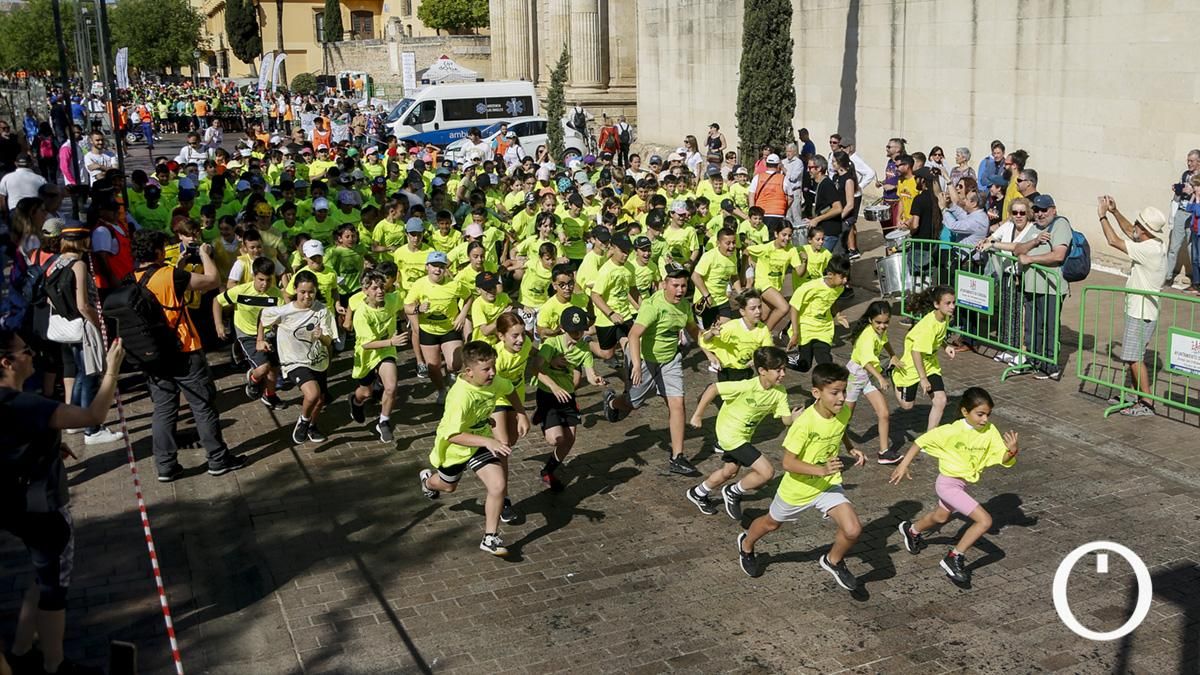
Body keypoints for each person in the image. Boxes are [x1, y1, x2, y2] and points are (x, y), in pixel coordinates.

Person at [1, 331, 125, 675]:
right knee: (54, 585)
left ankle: (22, 650)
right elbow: (93, 416)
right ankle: (54, 664)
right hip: (43, 509)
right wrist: (112, 371)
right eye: (25, 351)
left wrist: (48, 444)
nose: (32, 355)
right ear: (7, 362)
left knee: (41, 576)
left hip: (13, 507)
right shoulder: (26, 405)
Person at [735, 363, 865, 588]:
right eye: (834, 393)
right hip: (797, 489)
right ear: (817, 393)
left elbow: (839, 430)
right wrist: (821, 469)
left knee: (853, 529)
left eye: (844, 391)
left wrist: (851, 448)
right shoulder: (804, 424)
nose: (842, 398)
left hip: (827, 485)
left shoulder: (842, 411)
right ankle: (746, 545)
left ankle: (833, 561)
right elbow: (788, 463)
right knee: (771, 524)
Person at [891, 387, 1020, 585]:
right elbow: (920, 442)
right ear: (964, 412)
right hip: (947, 484)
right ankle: (953, 558)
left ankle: (912, 530)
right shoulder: (951, 430)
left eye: (988, 414)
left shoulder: (989, 430)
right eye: (980, 414)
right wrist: (903, 465)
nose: (985, 419)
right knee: (984, 521)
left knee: (941, 516)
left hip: (960, 485)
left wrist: (1011, 452)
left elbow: (1000, 456)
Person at [418, 341, 530, 557]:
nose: (492, 373)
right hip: (455, 449)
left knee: (498, 485)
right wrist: (488, 442)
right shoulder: (460, 397)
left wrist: (521, 413)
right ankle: (427, 481)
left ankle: (490, 537)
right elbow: (453, 435)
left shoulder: (493, 380)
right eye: (486, 369)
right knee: (448, 487)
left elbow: (510, 389)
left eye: (493, 367)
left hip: (480, 443)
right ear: (469, 371)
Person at [602, 263, 701, 476]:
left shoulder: (684, 305)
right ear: (665, 284)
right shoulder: (652, 305)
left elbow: (693, 329)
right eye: (675, 285)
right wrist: (636, 365)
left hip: (670, 360)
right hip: (645, 359)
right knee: (633, 404)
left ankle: (677, 457)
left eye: (683, 286)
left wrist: (711, 346)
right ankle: (612, 402)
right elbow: (634, 335)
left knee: (677, 403)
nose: (680, 290)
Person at [687, 346, 802, 519]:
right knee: (767, 472)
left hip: (744, 437)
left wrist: (793, 419)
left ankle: (698, 492)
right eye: (778, 370)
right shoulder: (747, 386)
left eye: (784, 369)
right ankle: (733, 492)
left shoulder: (780, 393)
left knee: (729, 471)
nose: (783, 374)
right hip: (729, 434)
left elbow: (785, 420)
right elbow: (713, 389)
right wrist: (697, 415)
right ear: (762, 371)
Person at [1096, 197, 1167, 417]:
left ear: (1144, 229)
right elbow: (1129, 231)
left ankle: (1146, 402)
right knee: (1131, 356)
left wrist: (1102, 216)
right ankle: (1135, 396)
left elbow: (1114, 240)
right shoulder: (1152, 243)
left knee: (1134, 358)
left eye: (1138, 224)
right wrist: (1116, 212)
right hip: (1139, 309)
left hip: (1142, 311)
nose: (1133, 227)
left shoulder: (1149, 251)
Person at [532, 307, 606, 491]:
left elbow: (589, 374)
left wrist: (595, 379)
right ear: (563, 328)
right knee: (555, 439)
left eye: (580, 330)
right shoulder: (552, 344)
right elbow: (535, 369)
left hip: (567, 396)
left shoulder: (584, 349)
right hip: (548, 394)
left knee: (570, 439)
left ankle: (548, 471)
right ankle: (541, 414)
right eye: (573, 331)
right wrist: (554, 384)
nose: (577, 334)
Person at [1011, 194, 1070, 380]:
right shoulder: (1034, 228)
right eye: (1036, 210)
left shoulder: (1060, 224)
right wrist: (1035, 241)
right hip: (1032, 286)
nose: (1040, 214)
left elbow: (1058, 255)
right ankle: (1032, 360)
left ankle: (1050, 365)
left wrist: (1031, 259)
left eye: (1044, 210)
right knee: (1031, 326)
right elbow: (1017, 249)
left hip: (1050, 287)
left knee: (1048, 327)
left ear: (1053, 209)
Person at [214, 256, 286, 409]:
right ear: (254, 275)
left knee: (273, 367)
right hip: (246, 334)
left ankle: (270, 396)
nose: (265, 284)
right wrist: (219, 324)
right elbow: (217, 301)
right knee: (263, 368)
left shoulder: (276, 294)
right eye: (261, 279)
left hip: (268, 334)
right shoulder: (240, 291)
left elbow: (281, 317)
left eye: (268, 280)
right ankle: (253, 379)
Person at [349, 270, 409, 442]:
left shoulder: (392, 299)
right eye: (375, 288)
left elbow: (404, 305)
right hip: (367, 354)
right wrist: (392, 341)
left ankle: (383, 421)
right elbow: (366, 344)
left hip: (386, 351)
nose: (380, 291)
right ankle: (355, 401)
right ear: (365, 290)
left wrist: (408, 320)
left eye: (382, 287)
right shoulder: (361, 314)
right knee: (366, 393)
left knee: (391, 387)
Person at [404, 251, 472, 403]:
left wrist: (462, 315)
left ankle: (451, 374)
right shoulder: (419, 284)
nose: (437, 270)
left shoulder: (454, 284)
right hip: (428, 330)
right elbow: (407, 307)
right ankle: (441, 390)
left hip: (449, 328)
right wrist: (418, 309)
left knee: (455, 364)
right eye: (434, 266)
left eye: (441, 266)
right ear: (427, 267)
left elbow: (468, 297)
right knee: (433, 367)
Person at [891, 285, 957, 434]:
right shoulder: (928, 326)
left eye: (953, 302)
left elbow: (937, 338)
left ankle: (929, 438)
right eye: (948, 303)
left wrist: (945, 346)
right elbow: (916, 352)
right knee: (907, 406)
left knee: (940, 400)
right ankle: (894, 376)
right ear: (936, 304)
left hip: (930, 364)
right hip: (912, 366)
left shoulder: (944, 317)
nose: (952, 307)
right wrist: (923, 378)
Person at [844, 301, 900, 464]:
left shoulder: (880, 332)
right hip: (856, 377)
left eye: (886, 322)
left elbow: (885, 341)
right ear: (870, 320)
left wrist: (893, 355)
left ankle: (883, 452)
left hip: (868, 378)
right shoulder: (867, 337)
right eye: (878, 322)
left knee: (884, 413)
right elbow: (866, 362)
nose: (882, 326)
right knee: (844, 419)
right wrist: (881, 378)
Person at [786, 255, 852, 373]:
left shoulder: (840, 288)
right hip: (805, 328)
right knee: (804, 366)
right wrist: (795, 333)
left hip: (824, 329)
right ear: (831, 274)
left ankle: (826, 387)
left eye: (847, 277)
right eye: (842, 277)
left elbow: (832, 300)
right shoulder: (810, 287)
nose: (845, 280)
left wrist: (837, 315)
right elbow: (794, 308)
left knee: (825, 363)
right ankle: (781, 360)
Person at [1166, 149, 1200, 287]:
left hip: (1194, 215)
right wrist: (1178, 189)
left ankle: (1196, 281)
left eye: (1191, 161)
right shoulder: (1185, 174)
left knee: (1193, 249)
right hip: (1182, 211)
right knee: (1174, 246)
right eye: (1188, 160)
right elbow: (1179, 194)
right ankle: (1167, 276)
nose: (1189, 163)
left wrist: (1193, 191)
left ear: (1199, 162)